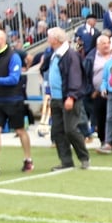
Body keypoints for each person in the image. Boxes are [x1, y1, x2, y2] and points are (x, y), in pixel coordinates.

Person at [0, 30, 32, 176]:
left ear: (1, 39)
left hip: (14, 100)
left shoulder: (14, 56)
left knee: (20, 130)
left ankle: (28, 159)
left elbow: (14, 79)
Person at [45, 27, 91, 170]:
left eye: (49, 37)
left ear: (55, 39)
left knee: (70, 129)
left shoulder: (70, 55)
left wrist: (71, 96)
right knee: (57, 131)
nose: (47, 40)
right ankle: (66, 161)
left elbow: (75, 77)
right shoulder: (55, 54)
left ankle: (84, 157)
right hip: (56, 98)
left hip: (68, 98)